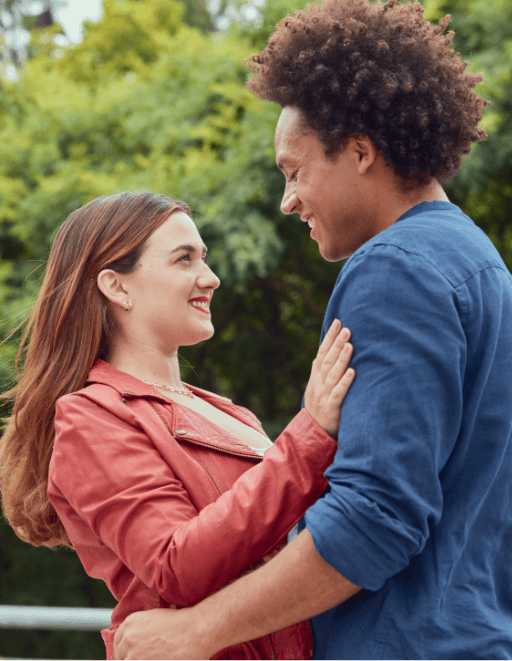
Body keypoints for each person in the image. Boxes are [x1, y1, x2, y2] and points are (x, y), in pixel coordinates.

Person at [113, 0, 512, 660]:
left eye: (293, 170)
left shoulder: (394, 269)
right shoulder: (481, 263)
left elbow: (375, 519)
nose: (287, 199)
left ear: (360, 151)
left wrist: (194, 630)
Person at [0, 190, 357, 661]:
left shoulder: (230, 413)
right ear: (117, 286)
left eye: (204, 258)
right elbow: (176, 565)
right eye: (183, 259)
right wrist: (310, 434)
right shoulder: (91, 415)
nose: (209, 278)